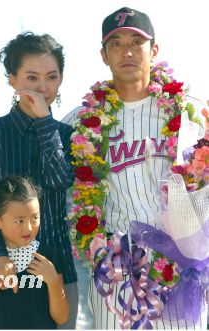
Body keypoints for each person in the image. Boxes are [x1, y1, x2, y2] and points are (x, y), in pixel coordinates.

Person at [60, 7, 206, 330]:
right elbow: (37, 157)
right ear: (103, 54)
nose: (126, 51)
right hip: (114, 271)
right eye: (116, 43)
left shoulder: (188, 111)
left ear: (154, 50)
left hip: (179, 265)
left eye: (136, 42)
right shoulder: (82, 121)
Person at [0, 32, 79, 329]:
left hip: (56, 273)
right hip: (1, 274)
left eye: (52, 77)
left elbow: (59, 180)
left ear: (61, 79)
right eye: (31, 77)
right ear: (12, 79)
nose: (43, 87)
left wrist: (45, 123)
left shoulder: (68, 137)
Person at [0, 175, 69, 329]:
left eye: (35, 218)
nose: (29, 228)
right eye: (20, 220)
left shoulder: (51, 257)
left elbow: (62, 318)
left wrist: (53, 282)